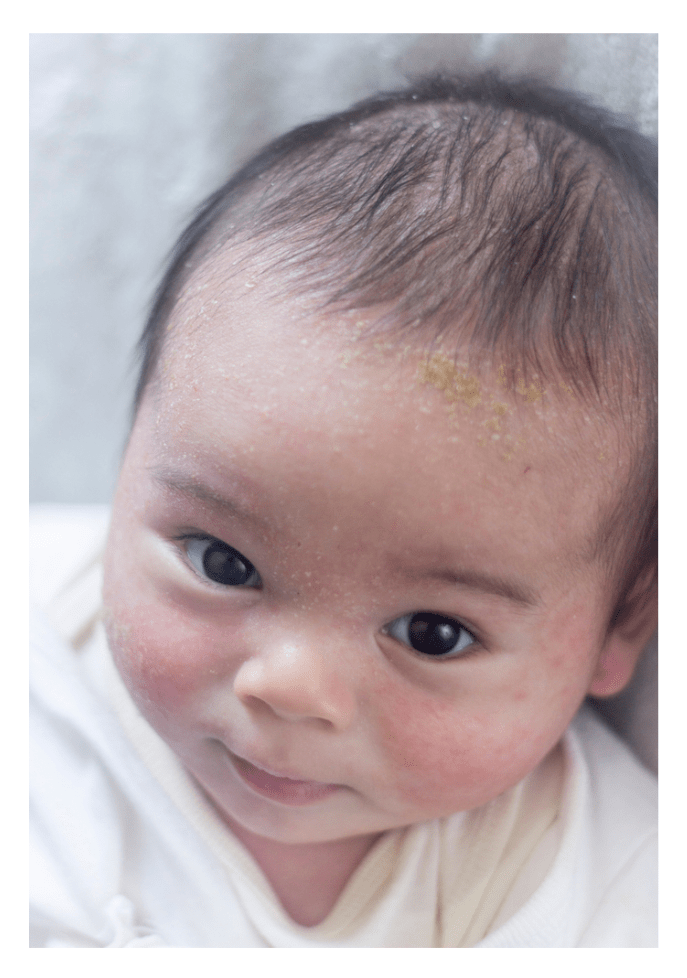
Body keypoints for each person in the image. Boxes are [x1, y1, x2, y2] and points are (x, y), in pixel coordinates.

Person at [30, 72, 658, 947]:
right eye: (222, 562)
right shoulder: (33, 670)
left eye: (433, 632)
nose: (288, 688)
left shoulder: (594, 883)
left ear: (620, 625)